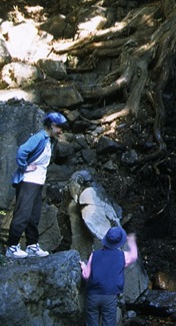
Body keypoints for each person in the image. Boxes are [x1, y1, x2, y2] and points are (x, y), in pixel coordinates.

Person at [5, 111, 68, 259]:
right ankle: (12, 247)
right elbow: (22, 150)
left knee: (34, 216)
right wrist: (24, 166)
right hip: (28, 181)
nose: (61, 131)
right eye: (59, 128)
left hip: (38, 182)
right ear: (52, 126)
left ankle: (32, 245)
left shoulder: (50, 141)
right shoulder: (39, 137)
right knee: (23, 214)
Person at [80, 226, 139, 326]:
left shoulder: (94, 255)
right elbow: (134, 256)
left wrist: (83, 265)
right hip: (110, 296)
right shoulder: (122, 256)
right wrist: (132, 242)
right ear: (119, 242)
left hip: (93, 295)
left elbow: (86, 275)